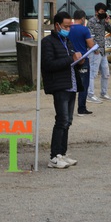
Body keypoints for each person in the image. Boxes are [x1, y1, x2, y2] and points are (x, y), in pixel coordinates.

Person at [41, 11, 84, 169]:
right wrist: (70, 59)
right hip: (60, 86)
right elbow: (48, 64)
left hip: (71, 85)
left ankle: (62, 153)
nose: (68, 29)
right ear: (57, 25)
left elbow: (72, 60)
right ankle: (54, 156)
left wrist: (80, 62)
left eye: (70, 26)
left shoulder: (67, 41)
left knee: (68, 122)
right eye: (66, 26)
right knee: (61, 120)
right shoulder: (48, 42)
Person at [68, 10, 95, 117]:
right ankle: (81, 109)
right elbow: (91, 45)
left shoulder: (68, 28)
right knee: (83, 85)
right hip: (83, 60)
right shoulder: (84, 29)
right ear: (83, 19)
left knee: (71, 84)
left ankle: (68, 108)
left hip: (70, 59)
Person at [87, 3, 111, 102]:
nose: (103, 14)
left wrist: (107, 21)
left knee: (106, 73)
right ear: (96, 11)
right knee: (93, 73)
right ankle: (90, 95)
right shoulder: (91, 21)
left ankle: (104, 93)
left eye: (104, 12)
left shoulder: (103, 21)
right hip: (95, 51)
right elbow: (89, 36)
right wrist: (95, 48)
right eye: (101, 12)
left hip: (103, 51)